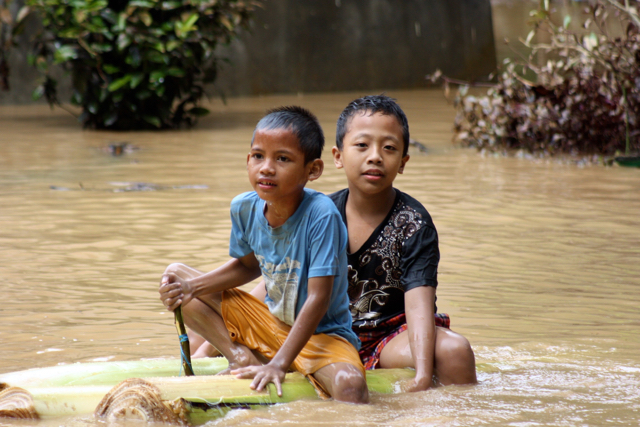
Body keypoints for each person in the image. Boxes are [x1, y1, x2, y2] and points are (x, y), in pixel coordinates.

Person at [158, 106, 369, 403]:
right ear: (248, 161)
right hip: (269, 323)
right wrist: (190, 288)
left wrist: (279, 365)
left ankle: (273, 361)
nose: (266, 168)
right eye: (258, 156)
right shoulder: (243, 207)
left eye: (282, 159)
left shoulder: (322, 214)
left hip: (321, 338)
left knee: (351, 387)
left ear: (313, 170)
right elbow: (247, 267)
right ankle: (240, 358)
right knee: (176, 275)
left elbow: (318, 299)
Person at [329, 95, 477, 391]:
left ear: (403, 162)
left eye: (389, 148)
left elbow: (419, 303)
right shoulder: (321, 214)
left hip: (391, 334)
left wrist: (423, 375)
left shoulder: (413, 222)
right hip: (329, 333)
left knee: (455, 350)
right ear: (338, 156)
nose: (375, 156)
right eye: (362, 145)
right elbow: (281, 277)